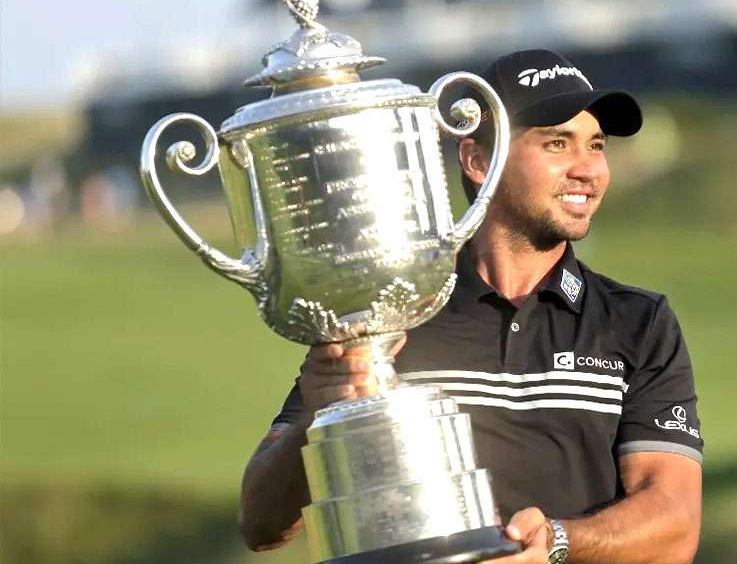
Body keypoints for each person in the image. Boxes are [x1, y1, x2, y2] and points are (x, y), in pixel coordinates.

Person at [239, 49, 704, 564]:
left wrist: (556, 542)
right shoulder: (388, 313)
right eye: (556, 143)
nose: (586, 169)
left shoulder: (637, 321)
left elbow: (675, 524)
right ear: (478, 161)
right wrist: (317, 419)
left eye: (596, 146)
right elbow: (262, 524)